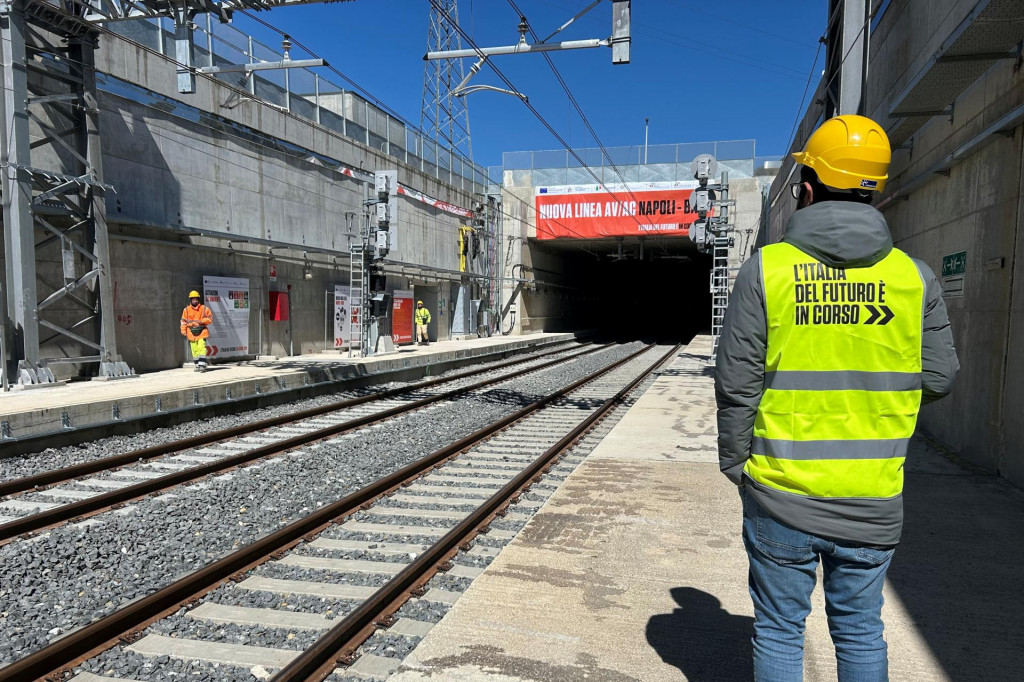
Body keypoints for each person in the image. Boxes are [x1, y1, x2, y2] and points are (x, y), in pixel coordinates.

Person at [715, 114, 959, 681]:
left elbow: (736, 383)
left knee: (779, 630)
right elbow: (941, 379)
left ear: (806, 189)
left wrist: (736, 463)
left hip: (780, 490)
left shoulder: (766, 272)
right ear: (877, 191)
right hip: (872, 497)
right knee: (858, 629)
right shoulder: (914, 279)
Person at [180, 290, 213, 372]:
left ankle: (202, 365)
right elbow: (183, 322)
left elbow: (209, 319)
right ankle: (197, 365)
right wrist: (183, 331)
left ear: (198, 300)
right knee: (194, 349)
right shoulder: (186, 310)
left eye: (196, 299)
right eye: (193, 299)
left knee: (201, 347)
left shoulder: (204, 309)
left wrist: (201, 321)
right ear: (190, 300)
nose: (195, 301)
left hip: (202, 332)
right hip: (191, 332)